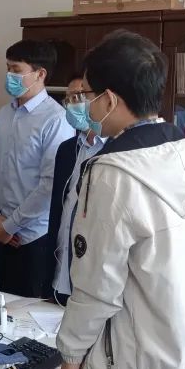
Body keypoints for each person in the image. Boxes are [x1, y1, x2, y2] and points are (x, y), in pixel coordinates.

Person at [50, 31, 185, 369]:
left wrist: (70, 356)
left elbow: (97, 284)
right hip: (182, 363)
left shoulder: (112, 173)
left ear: (110, 100)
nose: (84, 104)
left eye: (87, 94)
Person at [0, 40, 75, 298]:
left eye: (16, 70)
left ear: (40, 74)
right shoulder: (3, 115)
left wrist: (11, 225)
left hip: (34, 238)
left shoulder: (56, 119)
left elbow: (49, 185)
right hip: (0, 232)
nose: (9, 76)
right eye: (8, 69)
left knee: (29, 311)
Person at [47, 73, 106, 303]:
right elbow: (57, 208)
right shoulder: (67, 149)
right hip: (60, 265)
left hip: (93, 275)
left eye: (80, 96)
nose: (74, 104)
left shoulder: (115, 151)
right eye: (69, 99)